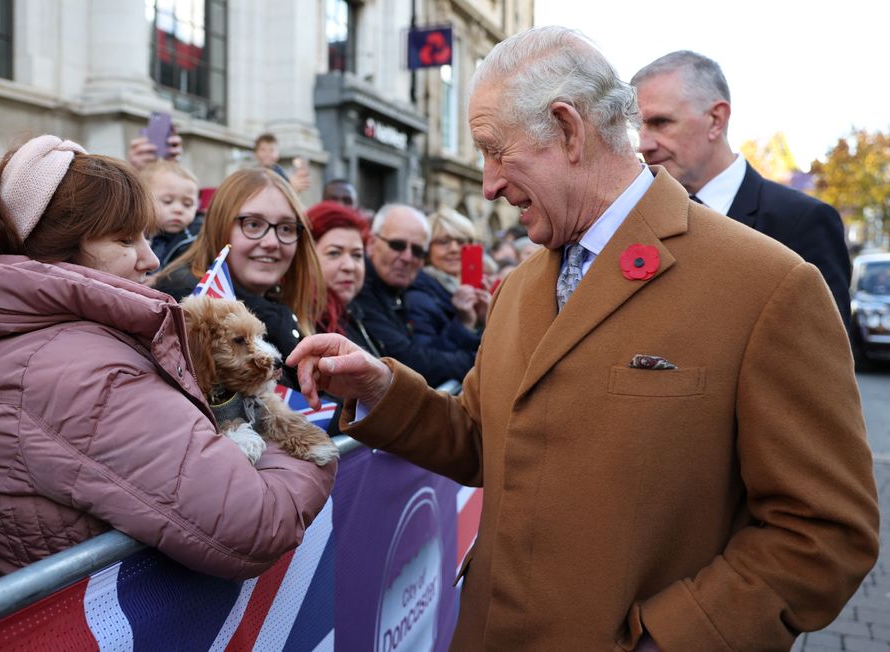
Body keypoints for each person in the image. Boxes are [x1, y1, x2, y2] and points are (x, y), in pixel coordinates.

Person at [288, 26, 879, 651]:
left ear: (568, 129)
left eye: (495, 149)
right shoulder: (520, 287)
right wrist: (384, 390)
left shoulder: (769, 285)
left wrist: (669, 640)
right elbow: (485, 441)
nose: (488, 184)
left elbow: (824, 533)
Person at [0, 135, 335, 585]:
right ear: (57, 248)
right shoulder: (82, 371)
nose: (149, 258)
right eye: (124, 240)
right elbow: (256, 521)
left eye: (148, 237)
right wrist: (310, 447)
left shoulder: (21, 337)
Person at [631, 51, 852, 329]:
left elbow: (826, 354)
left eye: (660, 123)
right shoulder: (639, 216)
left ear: (716, 119)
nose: (643, 144)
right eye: (638, 127)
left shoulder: (801, 221)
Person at [156, 167, 325, 367]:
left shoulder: (282, 308)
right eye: (253, 224)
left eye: (286, 228)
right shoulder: (188, 307)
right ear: (219, 226)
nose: (272, 242)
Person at [351, 204, 479, 387]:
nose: (407, 257)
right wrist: (477, 359)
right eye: (397, 245)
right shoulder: (359, 287)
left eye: (418, 251)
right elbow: (410, 362)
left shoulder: (399, 286)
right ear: (371, 243)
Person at [406, 207, 489, 360]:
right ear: (427, 249)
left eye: (461, 241)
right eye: (443, 242)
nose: (454, 249)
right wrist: (464, 324)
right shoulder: (418, 296)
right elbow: (427, 360)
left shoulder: (477, 288)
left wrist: (487, 318)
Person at [306, 200, 380, 355]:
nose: (350, 266)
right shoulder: (305, 322)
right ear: (307, 258)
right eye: (334, 253)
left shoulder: (354, 312)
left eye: (357, 255)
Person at [139, 159, 201, 270]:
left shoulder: (197, 239)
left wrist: (160, 279)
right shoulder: (135, 232)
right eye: (167, 201)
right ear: (144, 200)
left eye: (187, 204)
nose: (178, 210)